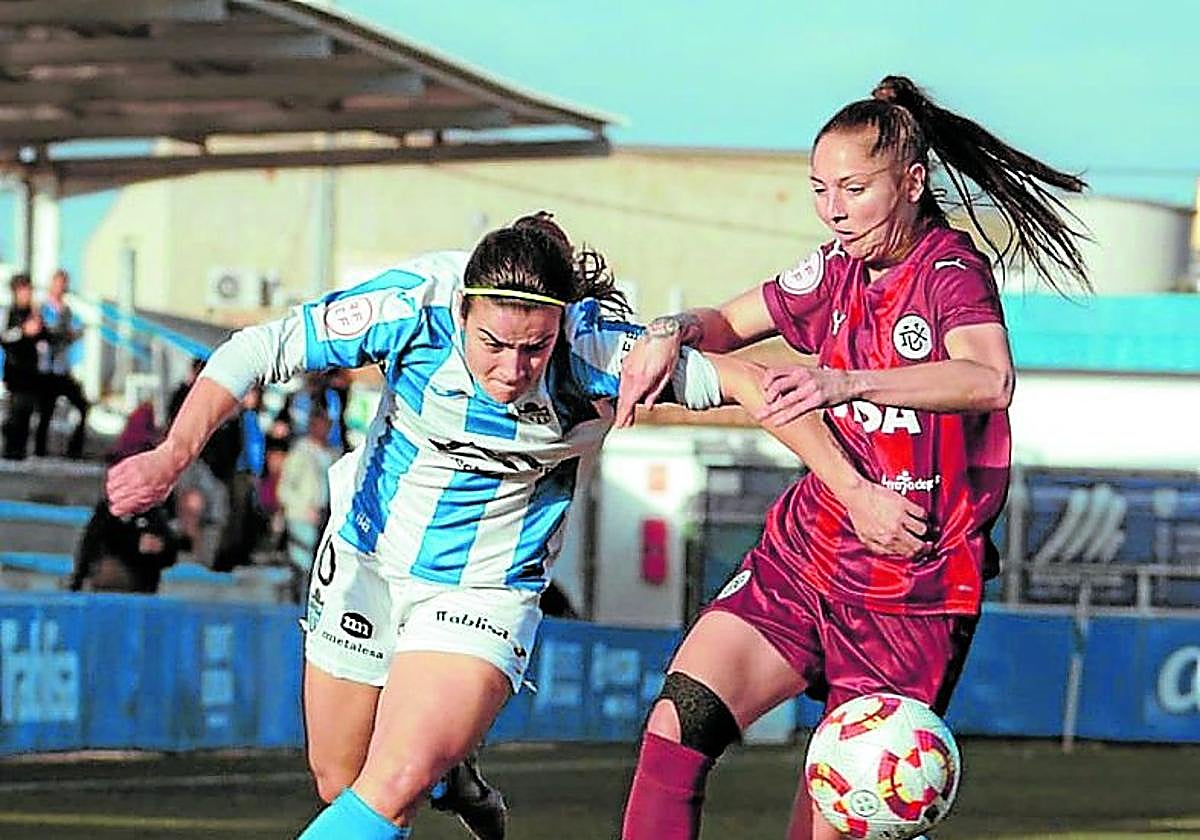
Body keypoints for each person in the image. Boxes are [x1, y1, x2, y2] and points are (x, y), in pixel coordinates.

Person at [614, 75, 1091, 840]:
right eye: (819, 189)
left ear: (911, 183)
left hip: (913, 585)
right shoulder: (832, 269)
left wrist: (846, 379)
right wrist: (669, 328)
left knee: (838, 813)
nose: (834, 208)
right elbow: (723, 322)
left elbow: (988, 376)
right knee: (679, 722)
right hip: (807, 553)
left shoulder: (948, 272)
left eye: (854, 188)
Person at [278, 405, 335, 597]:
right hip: (302, 515)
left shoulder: (332, 453)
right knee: (302, 563)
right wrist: (302, 508)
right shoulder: (300, 453)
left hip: (324, 514)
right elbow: (285, 488)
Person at [35, 268, 89, 458]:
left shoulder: (67, 311)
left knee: (82, 405)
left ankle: (74, 449)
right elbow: (45, 334)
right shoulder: (41, 309)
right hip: (46, 369)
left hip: (61, 368)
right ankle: (39, 450)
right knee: (46, 412)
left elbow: (68, 335)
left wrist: (73, 335)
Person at [1, 273, 44, 460]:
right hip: (15, 370)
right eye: (24, 290)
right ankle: (11, 449)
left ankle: (20, 450)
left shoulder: (34, 313)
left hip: (31, 370)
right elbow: (3, 337)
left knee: (27, 411)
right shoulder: (8, 312)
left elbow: (43, 338)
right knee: (16, 411)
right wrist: (22, 331)